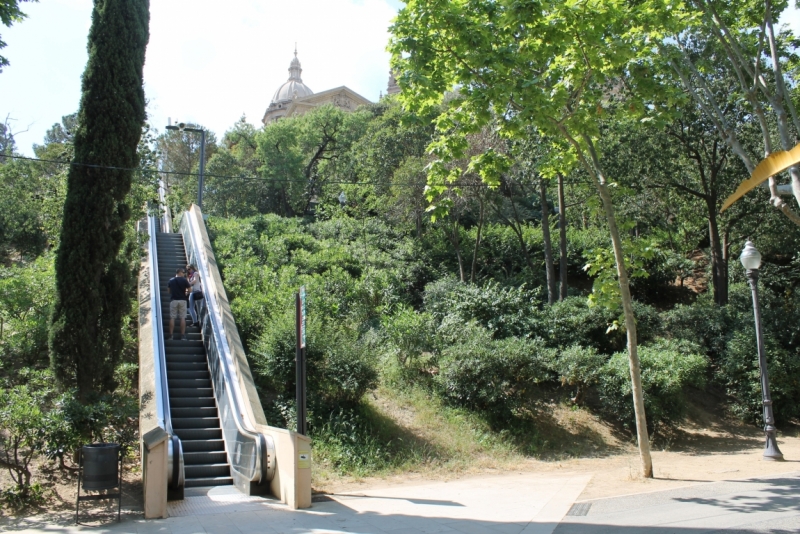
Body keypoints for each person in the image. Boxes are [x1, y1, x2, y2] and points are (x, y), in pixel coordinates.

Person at [167, 268, 191, 341]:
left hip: (173, 300)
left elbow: (168, 291)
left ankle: (171, 335)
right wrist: (186, 292)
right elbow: (190, 290)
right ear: (180, 272)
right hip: (182, 300)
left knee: (172, 317)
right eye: (183, 272)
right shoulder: (184, 280)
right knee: (182, 318)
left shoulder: (171, 280)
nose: (184, 274)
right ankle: (183, 336)